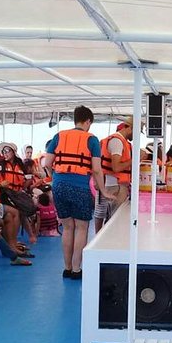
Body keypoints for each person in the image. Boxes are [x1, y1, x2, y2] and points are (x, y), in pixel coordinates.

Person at [44, 105, 114, 279]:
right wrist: (104, 191)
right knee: (81, 228)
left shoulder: (59, 136)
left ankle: (66, 268)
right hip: (79, 186)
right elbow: (97, 170)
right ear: (88, 121)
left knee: (67, 227)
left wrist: (56, 179)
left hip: (59, 185)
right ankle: (76, 269)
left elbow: (46, 163)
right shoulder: (92, 140)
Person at [96, 118, 135, 232]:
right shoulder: (117, 142)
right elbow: (116, 167)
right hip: (115, 186)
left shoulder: (121, 142)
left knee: (111, 219)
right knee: (114, 221)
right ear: (129, 128)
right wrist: (135, 159)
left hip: (115, 185)